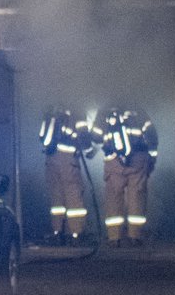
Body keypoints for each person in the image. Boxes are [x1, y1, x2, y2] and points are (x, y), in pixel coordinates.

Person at [96, 108, 157, 247]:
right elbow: (152, 136)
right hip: (138, 159)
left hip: (113, 160)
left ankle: (114, 237)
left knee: (113, 197)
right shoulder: (139, 111)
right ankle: (135, 236)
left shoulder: (105, 111)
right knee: (137, 196)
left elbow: (95, 136)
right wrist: (152, 159)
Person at [39, 106, 90, 245]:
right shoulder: (77, 109)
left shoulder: (52, 109)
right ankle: (75, 233)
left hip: (50, 158)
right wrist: (89, 150)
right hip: (68, 159)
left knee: (56, 197)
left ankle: (57, 231)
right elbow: (84, 135)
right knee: (73, 195)